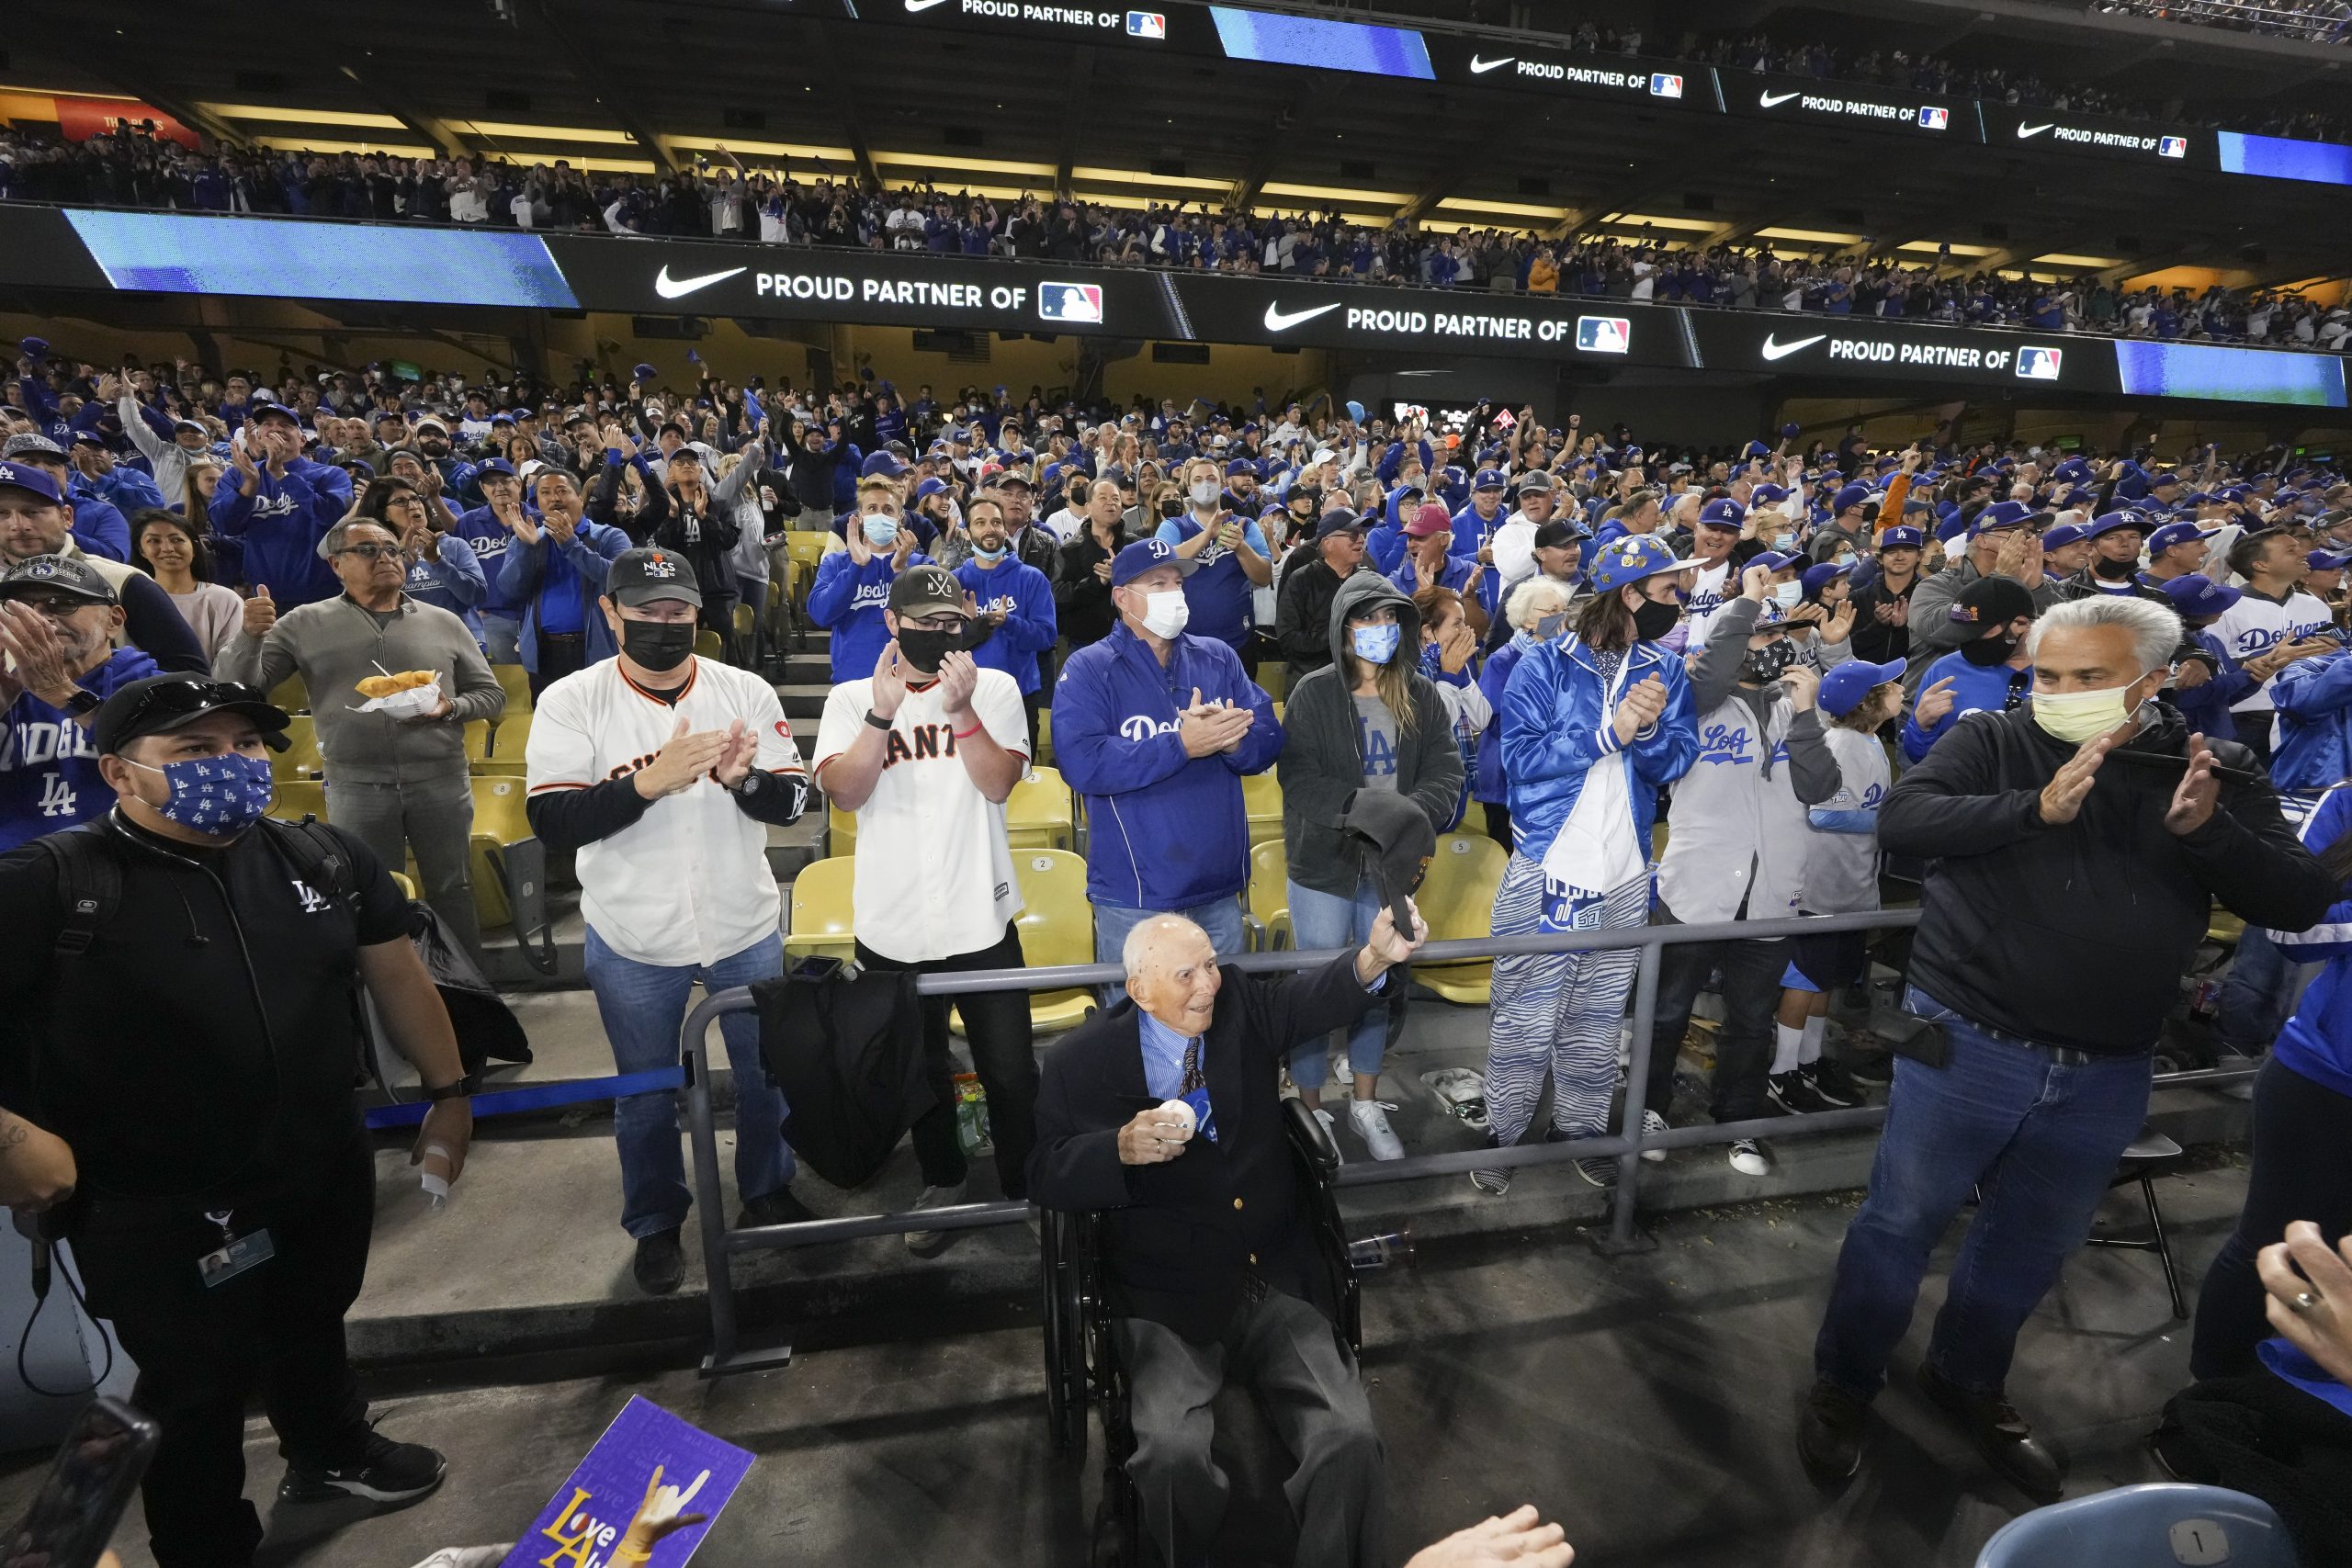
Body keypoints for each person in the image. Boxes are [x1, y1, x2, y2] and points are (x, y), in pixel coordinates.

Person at [1801, 595, 2336, 1501]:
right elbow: (1906, 824)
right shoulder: (1994, 742)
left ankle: (1968, 1379)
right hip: (1966, 1041)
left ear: (2153, 680)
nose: (2061, 693)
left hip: (2106, 1066)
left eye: (2089, 678)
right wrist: (2031, 809)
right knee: (1897, 1226)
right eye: (2048, 675)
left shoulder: (2215, 769)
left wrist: (2205, 832)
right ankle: (1843, 1385)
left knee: (2029, 1244)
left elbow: (2295, 898)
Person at [0, 673, 475, 1568]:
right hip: (157, 1204)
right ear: (119, 773)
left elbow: (397, 975)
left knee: (314, 1317)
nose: (235, 766)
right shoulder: (53, 885)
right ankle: (204, 1541)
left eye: (248, 746)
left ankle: (331, 1453)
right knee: (192, 1388)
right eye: (195, 751)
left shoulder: (320, 857)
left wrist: (448, 1094)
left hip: (319, 1163)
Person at [1027, 905, 1426, 1568]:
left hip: (1272, 1270)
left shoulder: (1238, 1003)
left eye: (1210, 963)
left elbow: (1309, 1001)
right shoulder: (1081, 1062)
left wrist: (1375, 958)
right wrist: (1115, 1150)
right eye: (1185, 974)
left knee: (1350, 1437)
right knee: (1169, 1453)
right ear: (1140, 990)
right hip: (1165, 1294)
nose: (1208, 983)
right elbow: (1042, 1171)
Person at [523, 547, 815, 1294]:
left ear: (697, 612)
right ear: (610, 611)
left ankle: (765, 1186)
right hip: (633, 932)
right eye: (647, 610)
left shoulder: (742, 689)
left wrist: (744, 780)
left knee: (763, 1073)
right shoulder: (571, 699)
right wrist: (650, 782)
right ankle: (655, 1221)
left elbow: (796, 802)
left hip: (740, 919)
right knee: (647, 1094)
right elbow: (552, 818)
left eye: (677, 610)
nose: (664, 623)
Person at [811, 565, 1036, 1253]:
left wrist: (961, 710)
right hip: (894, 920)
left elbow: (999, 784)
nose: (938, 633)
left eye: (949, 621)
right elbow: (845, 794)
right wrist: (882, 713)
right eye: (924, 622)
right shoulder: (851, 698)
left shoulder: (992, 687)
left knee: (1011, 1068)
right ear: (893, 621)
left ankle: (1026, 1185)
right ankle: (944, 1179)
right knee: (923, 1070)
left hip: (980, 913)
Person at [1480, 536, 1698, 1194]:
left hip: (1626, 873)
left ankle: (1577, 1129)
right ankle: (1503, 1137)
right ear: (1629, 595)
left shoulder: (1666, 669)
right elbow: (1518, 757)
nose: (1678, 602)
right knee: (1525, 1015)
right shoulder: (1543, 663)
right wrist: (1610, 734)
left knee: (1599, 1018)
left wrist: (1654, 730)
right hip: (1549, 869)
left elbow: (1678, 760)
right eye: (1667, 590)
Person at [216, 517, 505, 954]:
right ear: (336, 564)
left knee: (453, 887)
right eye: (368, 550)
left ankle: (467, 990)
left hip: (441, 778)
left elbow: (491, 695)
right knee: (374, 894)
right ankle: (392, 993)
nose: (386, 558)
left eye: (392, 549)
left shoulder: (443, 621)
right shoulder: (304, 622)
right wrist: (249, 638)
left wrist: (451, 708)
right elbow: (242, 689)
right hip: (356, 784)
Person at [1646, 569, 1840, 1176]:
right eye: (1755, 636)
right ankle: (1648, 1109)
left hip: (1771, 895)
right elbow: (1713, 666)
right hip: (1695, 888)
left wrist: (1807, 715)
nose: (1767, 646)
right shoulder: (1695, 700)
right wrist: (1748, 603)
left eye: (1775, 635)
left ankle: (1739, 1122)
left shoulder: (1797, 711)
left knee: (1752, 1021)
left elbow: (1821, 785)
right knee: (1667, 1010)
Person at [1280, 574, 1461, 1161]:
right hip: (1323, 867)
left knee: (1378, 982)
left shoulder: (1422, 693)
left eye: (1388, 621)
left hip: (1392, 866)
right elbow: (1298, 778)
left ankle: (1363, 1101)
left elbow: (1447, 772)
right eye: (1364, 620)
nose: (1377, 632)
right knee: (1317, 989)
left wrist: (1404, 816)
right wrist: (1361, 809)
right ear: (1342, 627)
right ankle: (1307, 1111)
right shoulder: (1313, 693)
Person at [1052, 538, 1282, 964]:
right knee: (1135, 1022)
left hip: (1216, 887)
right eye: (1158, 584)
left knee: (1221, 1015)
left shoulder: (1218, 657)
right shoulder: (1089, 667)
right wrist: (1181, 745)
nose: (1174, 593)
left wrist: (1234, 742)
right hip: (1134, 893)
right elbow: (1082, 763)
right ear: (1122, 597)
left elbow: (1268, 736)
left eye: (1177, 583)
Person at [2190, 781, 2352, 1379]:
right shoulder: (2344, 802)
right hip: (2326, 1082)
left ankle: (2301, 1407)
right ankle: (2207, 1406)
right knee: (2275, 1247)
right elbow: (2291, 929)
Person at [1770, 656, 1903, 1113]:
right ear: (1869, 702)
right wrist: (1891, 820)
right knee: (1805, 979)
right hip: (1821, 887)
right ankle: (1782, 1070)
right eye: (1891, 685)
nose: (1900, 689)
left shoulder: (1868, 742)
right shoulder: (1843, 744)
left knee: (1825, 979)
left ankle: (1810, 1060)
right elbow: (1823, 813)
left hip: (1851, 882)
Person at [0, 557, 160, 851]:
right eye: (18, 608)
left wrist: (63, 694)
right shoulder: (8, 689)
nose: (39, 619)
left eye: (62, 603)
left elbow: (178, 770)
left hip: (121, 864)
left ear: (114, 621)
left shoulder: (161, 688)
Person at [0, 461, 205, 672]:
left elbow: (192, 675)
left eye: (32, 512)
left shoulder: (122, 580)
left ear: (67, 517)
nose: (18, 525)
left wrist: (101, 699)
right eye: (2, 514)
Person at [2210, 526, 2341, 765]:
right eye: (2291, 550)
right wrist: (2268, 657)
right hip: (2249, 720)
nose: (2303, 553)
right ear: (2261, 565)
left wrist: (2335, 652)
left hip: (2312, 720)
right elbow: (2212, 670)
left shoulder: (2316, 606)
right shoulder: (2226, 607)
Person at [496, 466, 631, 696]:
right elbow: (510, 589)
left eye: (562, 490)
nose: (554, 498)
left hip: (598, 650)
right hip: (545, 652)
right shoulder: (527, 538)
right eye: (545, 493)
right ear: (538, 502)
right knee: (552, 727)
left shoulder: (609, 536)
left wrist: (571, 545)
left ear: (579, 497)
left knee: (601, 724)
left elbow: (619, 578)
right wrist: (526, 548)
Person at [207, 402, 352, 608]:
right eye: (267, 424)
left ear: (302, 439)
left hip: (323, 592)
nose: (275, 428)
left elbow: (331, 517)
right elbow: (225, 526)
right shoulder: (239, 474)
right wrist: (249, 486)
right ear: (259, 436)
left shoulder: (331, 474)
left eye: (285, 424)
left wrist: (280, 475)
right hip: (264, 594)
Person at [1472, 578, 1572, 852]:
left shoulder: (1571, 658)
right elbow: (1494, 717)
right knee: (1508, 854)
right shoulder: (1503, 660)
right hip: (1506, 776)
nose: (1559, 618)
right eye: (1550, 611)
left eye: (1562, 610)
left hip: (1552, 775)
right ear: (1526, 620)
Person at [953, 495, 1058, 752]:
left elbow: (1046, 638)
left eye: (996, 523)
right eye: (980, 523)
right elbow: (939, 647)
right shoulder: (954, 582)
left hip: (1019, 698)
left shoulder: (1032, 579)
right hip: (968, 699)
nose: (990, 529)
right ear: (968, 533)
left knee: (1021, 783)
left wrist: (1009, 622)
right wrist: (967, 628)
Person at [808, 478, 933, 686]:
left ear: (900, 516)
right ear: (860, 516)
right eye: (872, 509)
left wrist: (901, 572)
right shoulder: (837, 563)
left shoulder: (922, 564)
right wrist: (856, 568)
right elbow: (820, 615)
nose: (880, 515)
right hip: (852, 681)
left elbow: (930, 622)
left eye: (888, 510)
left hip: (909, 682)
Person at [1900, 577, 2039, 761]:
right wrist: (1921, 727)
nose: (1968, 642)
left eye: (1977, 634)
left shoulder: (2059, 672)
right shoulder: (1944, 671)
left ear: (2020, 624)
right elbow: (1919, 758)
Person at [1158, 456, 1272, 669]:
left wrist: (1241, 547)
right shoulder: (1174, 526)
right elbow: (1161, 566)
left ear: (1221, 485)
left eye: (1211, 478)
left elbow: (1264, 577)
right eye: (1198, 480)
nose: (1205, 484)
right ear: (1189, 489)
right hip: (1185, 643)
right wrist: (1206, 535)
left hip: (1238, 641)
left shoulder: (1244, 526)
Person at [130, 509, 243, 659]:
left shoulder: (225, 599)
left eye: (177, 540)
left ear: (195, 548)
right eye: (154, 541)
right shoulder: (133, 600)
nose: (168, 548)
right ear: (141, 551)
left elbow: (233, 663)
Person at [1274, 511, 1365, 688]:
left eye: (1362, 533)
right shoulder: (1301, 580)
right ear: (1328, 543)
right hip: (1312, 684)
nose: (1361, 539)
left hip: (1359, 682)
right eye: (1353, 534)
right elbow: (1288, 639)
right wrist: (1339, 637)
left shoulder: (1367, 580)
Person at [1054, 476, 1128, 651]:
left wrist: (1121, 575)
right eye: (1103, 497)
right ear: (1088, 507)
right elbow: (1058, 597)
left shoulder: (1134, 545)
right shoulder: (1069, 550)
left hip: (1131, 641)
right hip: (1084, 645)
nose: (1111, 502)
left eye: (1116, 498)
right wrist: (1097, 582)